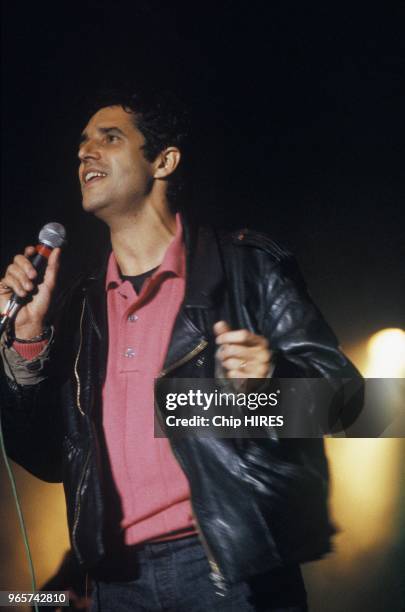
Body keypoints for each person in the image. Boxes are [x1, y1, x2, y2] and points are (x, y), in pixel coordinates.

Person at [0, 90, 363, 611]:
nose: (85, 154)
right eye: (81, 145)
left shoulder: (246, 268)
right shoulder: (82, 308)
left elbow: (351, 405)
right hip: (114, 581)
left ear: (164, 161)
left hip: (226, 573)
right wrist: (27, 342)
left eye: (110, 138)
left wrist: (273, 381)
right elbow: (46, 459)